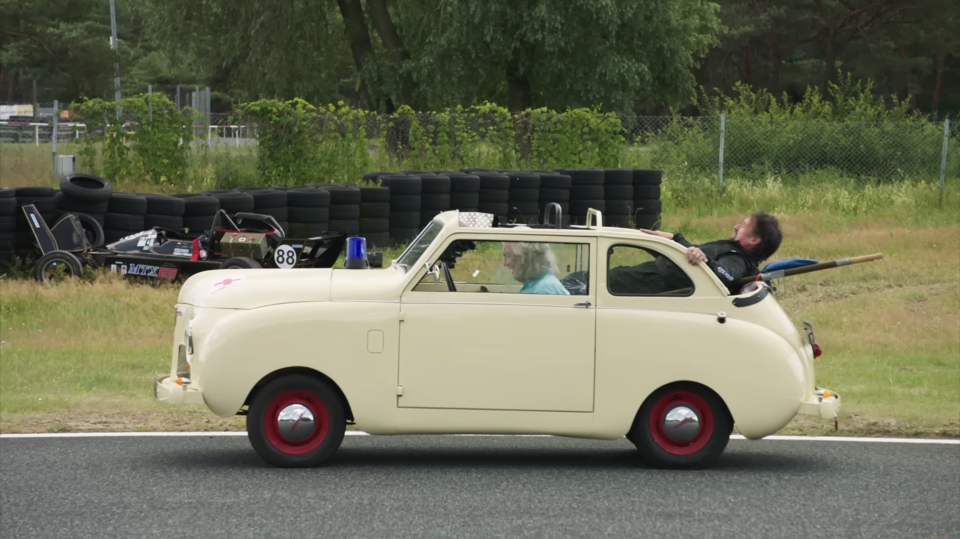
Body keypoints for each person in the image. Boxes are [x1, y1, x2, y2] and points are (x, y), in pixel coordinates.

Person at [608, 211, 783, 295]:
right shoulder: (733, 250)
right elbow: (690, 253)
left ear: (754, 240)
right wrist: (674, 238)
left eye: (743, 226)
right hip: (643, 277)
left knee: (590, 282)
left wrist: (705, 260)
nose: (736, 226)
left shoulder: (738, 260)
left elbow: (727, 275)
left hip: (645, 284)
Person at [503, 241, 571, 295]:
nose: (506, 263)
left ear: (527, 258)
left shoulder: (545, 289)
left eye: (509, 256)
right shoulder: (535, 284)